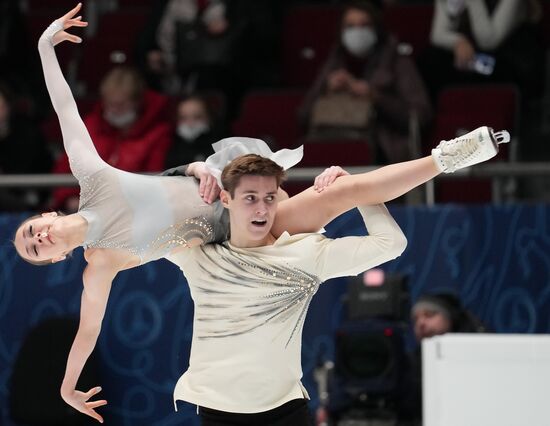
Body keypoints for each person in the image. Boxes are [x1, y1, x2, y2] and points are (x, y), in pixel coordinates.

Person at [13, 4, 508, 423]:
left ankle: (444, 157)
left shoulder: (92, 178)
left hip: (232, 200)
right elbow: (88, 331)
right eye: (35, 251)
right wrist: (67, 386)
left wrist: (43, 47)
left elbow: (65, 110)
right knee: (345, 194)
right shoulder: (100, 265)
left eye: (31, 232)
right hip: (222, 246)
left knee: (345, 191)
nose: (37, 238)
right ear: (54, 258)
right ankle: (434, 162)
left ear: (47, 218)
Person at [167, 154, 408, 425]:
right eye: (250, 198)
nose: (261, 209)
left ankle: (444, 158)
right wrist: (190, 168)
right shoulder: (198, 255)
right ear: (226, 199)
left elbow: (391, 243)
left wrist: (355, 191)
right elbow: (136, 207)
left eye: (270, 198)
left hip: (286, 413)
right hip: (218, 414)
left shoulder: (305, 256)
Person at [299, 0, 432, 164]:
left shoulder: (396, 61)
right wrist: (325, 90)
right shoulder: (334, 61)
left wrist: (375, 97)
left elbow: (419, 116)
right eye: (350, 26)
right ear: (341, 31)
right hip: (331, 146)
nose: (357, 32)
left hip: (383, 153)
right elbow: (303, 115)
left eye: (364, 25)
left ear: (376, 29)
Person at [51, 65, 173, 212]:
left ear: (137, 102)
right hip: (84, 208)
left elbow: (154, 177)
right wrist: (69, 198)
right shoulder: (89, 125)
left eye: (121, 105)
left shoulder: (158, 132)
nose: (114, 110)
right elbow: (65, 167)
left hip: (134, 209)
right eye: (109, 104)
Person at [419, 0, 544, 101]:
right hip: (471, 57)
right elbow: (437, 35)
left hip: (503, 61)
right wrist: (458, 41)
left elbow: (488, 41)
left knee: (483, 68)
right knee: (431, 60)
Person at [397, 292, 487, 423]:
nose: (421, 323)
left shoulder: (478, 352)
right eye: (415, 319)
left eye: (429, 315)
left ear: (451, 318)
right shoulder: (411, 364)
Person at [0, 83, 53, 211]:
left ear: (8, 107)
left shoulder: (27, 134)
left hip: (24, 197)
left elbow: (33, 169)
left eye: (1, 107)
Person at [164, 94, 226, 169]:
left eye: (197, 117)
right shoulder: (169, 144)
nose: (190, 123)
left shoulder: (219, 146)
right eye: (183, 118)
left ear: (209, 118)